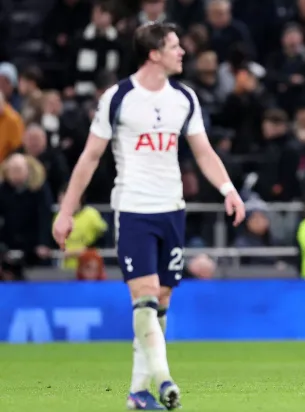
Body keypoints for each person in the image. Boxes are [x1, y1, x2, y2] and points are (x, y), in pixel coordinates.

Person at [52, 22, 246, 410]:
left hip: (172, 209)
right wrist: (67, 211)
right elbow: (90, 158)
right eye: (174, 46)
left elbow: (203, 151)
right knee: (143, 297)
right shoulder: (118, 97)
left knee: (160, 300)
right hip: (134, 209)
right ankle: (164, 378)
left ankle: (138, 392)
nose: (182, 52)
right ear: (154, 53)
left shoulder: (184, 98)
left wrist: (229, 189)